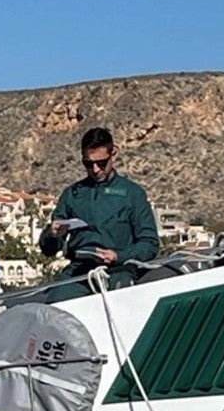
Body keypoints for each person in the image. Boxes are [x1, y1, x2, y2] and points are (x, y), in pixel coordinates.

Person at [39, 127, 160, 300]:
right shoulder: (71, 194)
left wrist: (119, 256)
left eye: (101, 163)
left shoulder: (133, 194)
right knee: (55, 306)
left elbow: (150, 243)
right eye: (88, 164)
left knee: (122, 301)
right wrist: (52, 234)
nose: (95, 170)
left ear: (114, 155)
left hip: (120, 270)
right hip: (79, 273)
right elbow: (49, 249)